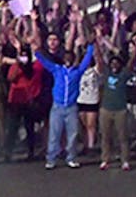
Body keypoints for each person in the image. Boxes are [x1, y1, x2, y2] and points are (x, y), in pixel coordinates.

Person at [36, 34, 94, 169]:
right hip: (57, 107)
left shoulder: (77, 71)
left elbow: (86, 60)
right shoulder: (57, 70)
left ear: (73, 59)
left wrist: (90, 46)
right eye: (66, 57)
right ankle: (51, 159)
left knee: (72, 135)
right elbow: (44, 61)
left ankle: (71, 158)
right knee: (54, 134)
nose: (68, 60)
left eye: (70, 58)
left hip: (71, 107)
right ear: (63, 59)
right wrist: (37, 51)